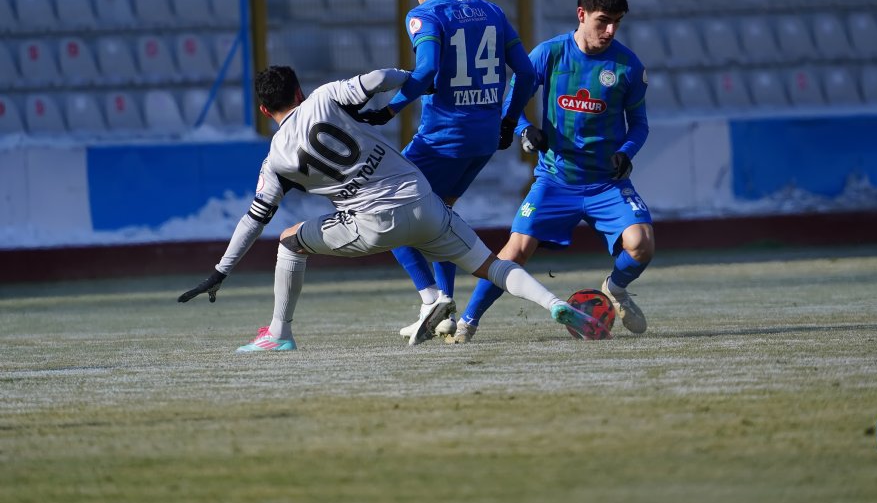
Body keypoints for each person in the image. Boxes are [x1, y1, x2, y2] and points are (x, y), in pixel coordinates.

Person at [177, 65, 607, 350]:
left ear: (263, 109)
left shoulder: (275, 160)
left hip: (371, 226)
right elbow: (380, 77)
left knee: (290, 241)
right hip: (422, 202)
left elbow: (254, 219)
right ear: (299, 91)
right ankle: (554, 303)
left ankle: (279, 333)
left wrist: (221, 271)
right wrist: (416, 81)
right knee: (491, 265)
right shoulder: (325, 97)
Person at [451, 0, 655, 343]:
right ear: (581, 14)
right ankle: (467, 323)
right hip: (555, 179)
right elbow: (511, 103)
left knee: (641, 243)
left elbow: (639, 125)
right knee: (514, 252)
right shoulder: (549, 54)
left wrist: (626, 152)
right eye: (603, 21)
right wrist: (525, 130)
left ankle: (615, 287)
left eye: (617, 22)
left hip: (606, 183)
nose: (611, 31)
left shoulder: (628, 66)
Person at [356, 0, 535, 340]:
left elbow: (427, 70)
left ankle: (432, 298)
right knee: (439, 215)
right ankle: (446, 310)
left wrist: (389, 109)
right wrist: (509, 121)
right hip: (484, 139)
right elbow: (526, 73)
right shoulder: (492, 11)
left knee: (383, 206)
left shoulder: (425, 15)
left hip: (444, 139)